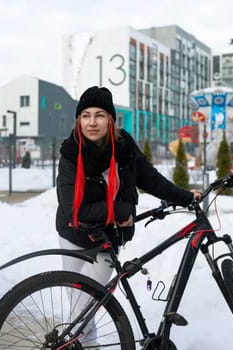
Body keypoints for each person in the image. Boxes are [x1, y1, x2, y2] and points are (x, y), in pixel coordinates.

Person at [56, 86, 202, 286]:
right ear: (78, 120)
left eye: (99, 115)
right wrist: (120, 210)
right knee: (78, 303)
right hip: (75, 235)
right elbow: (75, 209)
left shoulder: (124, 147)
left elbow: (150, 179)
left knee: (89, 299)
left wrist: (185, 197)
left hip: (108, 237)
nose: (91, 122)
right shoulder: (71, 154)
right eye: (85, 115)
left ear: (110, 119)